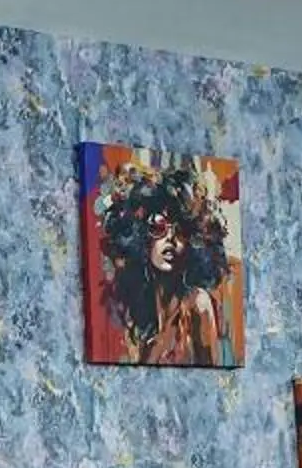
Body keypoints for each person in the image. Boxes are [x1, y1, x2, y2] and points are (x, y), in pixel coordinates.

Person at [91, 157, 237, 366]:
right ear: (140, 234)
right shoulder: (146, 320)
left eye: (180, 230)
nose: (171, 238)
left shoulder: (197, 303)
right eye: (158, 225)